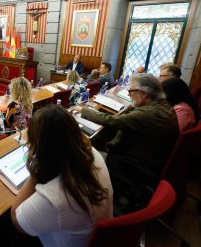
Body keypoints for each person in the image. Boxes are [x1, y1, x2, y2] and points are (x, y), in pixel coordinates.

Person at [11, 105, 113, 246]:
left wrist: (37, 169)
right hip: (96, 236)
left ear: (40, 147)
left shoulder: (53, 199)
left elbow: (16, 219)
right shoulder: (93, 153)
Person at [70, 73, 179, 202]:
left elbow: (113, 121)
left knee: (80, 153)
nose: (128, 94)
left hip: (133, 163)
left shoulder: (149, 114)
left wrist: (83, 111)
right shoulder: (163, 105)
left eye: (131, 91)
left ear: (143, 93)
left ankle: (84, 194)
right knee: (102, 138)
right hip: (151, 157)